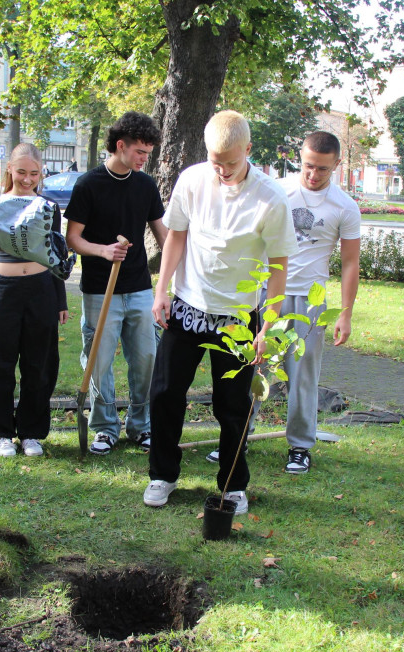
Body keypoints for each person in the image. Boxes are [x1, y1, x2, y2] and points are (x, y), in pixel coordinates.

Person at [145, 110, 297, 515]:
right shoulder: (193, 180)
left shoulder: (270, 198)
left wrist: (269, 325)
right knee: (164, 395)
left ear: (248, 150)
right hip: (188, 307)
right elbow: (176, 236)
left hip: (238, 318)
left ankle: (232, 485)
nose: (223, 170)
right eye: (216, 161)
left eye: (231, 162)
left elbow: (280, 266)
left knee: (232, 406)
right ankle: (163, 475)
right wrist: (162, 290)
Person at [65, 112, 167, 455]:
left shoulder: (145, 185)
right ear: (120, 146)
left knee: (146, 360)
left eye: (148, 153)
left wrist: (179, 266)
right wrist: (103, 251)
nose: (143, 158)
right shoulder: (88, 185)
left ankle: (141, 426)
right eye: (140, 151)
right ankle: (105, 427)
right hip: (99, 289)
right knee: (98, 361)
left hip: (139, 288)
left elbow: (163, 234)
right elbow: (72, 239)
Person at [0, 144, 68, 457]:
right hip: (2, 289)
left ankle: (31, 433)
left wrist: (60, 299)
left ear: (42, 174)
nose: (27, 179)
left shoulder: (48, 206)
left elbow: (56, 255)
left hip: (41, 289)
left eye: (34, 173)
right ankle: (0, 432)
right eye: (22, 171)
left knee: (39, 364)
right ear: (9, 169)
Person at [274, 131, 361, 474]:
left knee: (303, 374)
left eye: (322, 169)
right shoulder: (278, 191)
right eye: (308, 166)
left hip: (311, 299)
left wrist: (346, 314)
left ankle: (299, 446)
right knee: (255, 364)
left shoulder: (345, 206)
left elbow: (351, 263)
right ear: (300, 158)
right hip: (269, 292)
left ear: (337, 164)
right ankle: (237, 437)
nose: (313, 174)